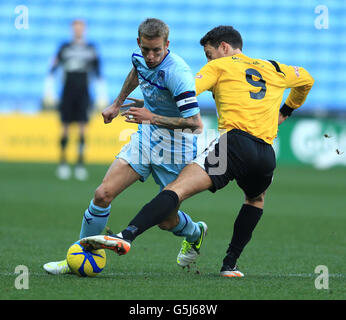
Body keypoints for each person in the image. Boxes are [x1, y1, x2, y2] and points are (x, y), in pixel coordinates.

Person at [80, 25, 314, 277]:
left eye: (209, 54)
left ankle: (127, 235)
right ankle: (229, 265)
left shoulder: (218, 67)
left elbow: (186, 91)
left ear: (223, 47)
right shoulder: (275, 68)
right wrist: (286, 111)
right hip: (266, 153)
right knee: (255, 199)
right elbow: (307, 80)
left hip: (232, 145)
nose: (208, 60)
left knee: (176, 190)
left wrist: (152, 109)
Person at [43, 18, 207, 275]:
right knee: (102, 194)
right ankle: (78, 256)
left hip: (176, 148)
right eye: (146, 50)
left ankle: (195, 231)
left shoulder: (178, 74)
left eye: (157, 50)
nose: (150, 57)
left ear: (167, 44)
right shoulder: (140, 58)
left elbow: (195, 124)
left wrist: (151, 116)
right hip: (146, 138)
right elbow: (136, 71)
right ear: (139, 43)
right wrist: (117, 103)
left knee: (166, 220)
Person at [47, 19, 102, 181]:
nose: (78, 30)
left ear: (84, 29)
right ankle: (63, 162)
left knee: (82, 128)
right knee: (64, 127)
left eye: (80, 28)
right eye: (75, 28)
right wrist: (49, 91)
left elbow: (98, 72)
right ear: (72, 29)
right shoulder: (64, 47)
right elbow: (53, 68)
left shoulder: (91, 49)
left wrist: (100, 95)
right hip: (67, 91)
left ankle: (79, 164)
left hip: (83, 92)